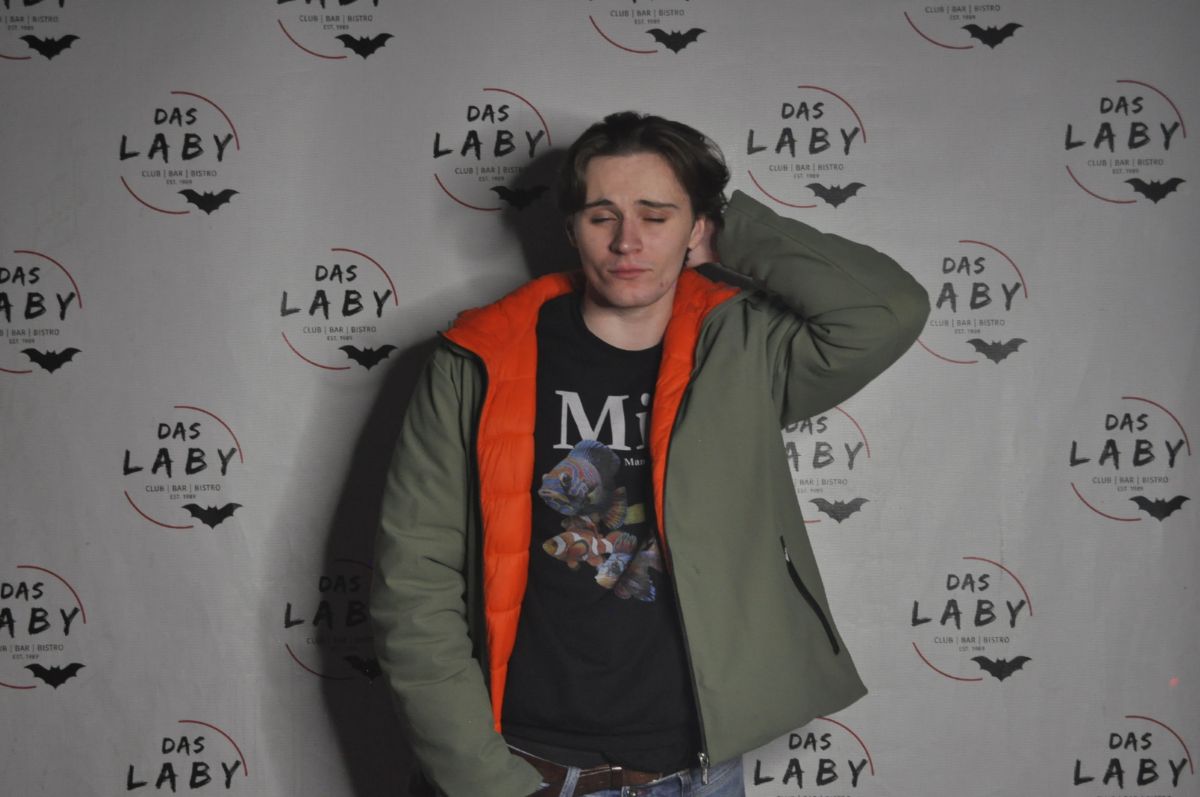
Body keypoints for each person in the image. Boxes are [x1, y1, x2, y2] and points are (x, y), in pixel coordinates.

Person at [370, 111, 930, 797]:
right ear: (571, 227)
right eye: (602, 216)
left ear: (697, 226)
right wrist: (481, 779)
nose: (628, 241)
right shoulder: (478, 358)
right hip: (531, 768)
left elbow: (886, 310)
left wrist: (730, 234)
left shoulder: (744, 350)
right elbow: (414, 581)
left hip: (701, 770)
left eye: (656, 216)